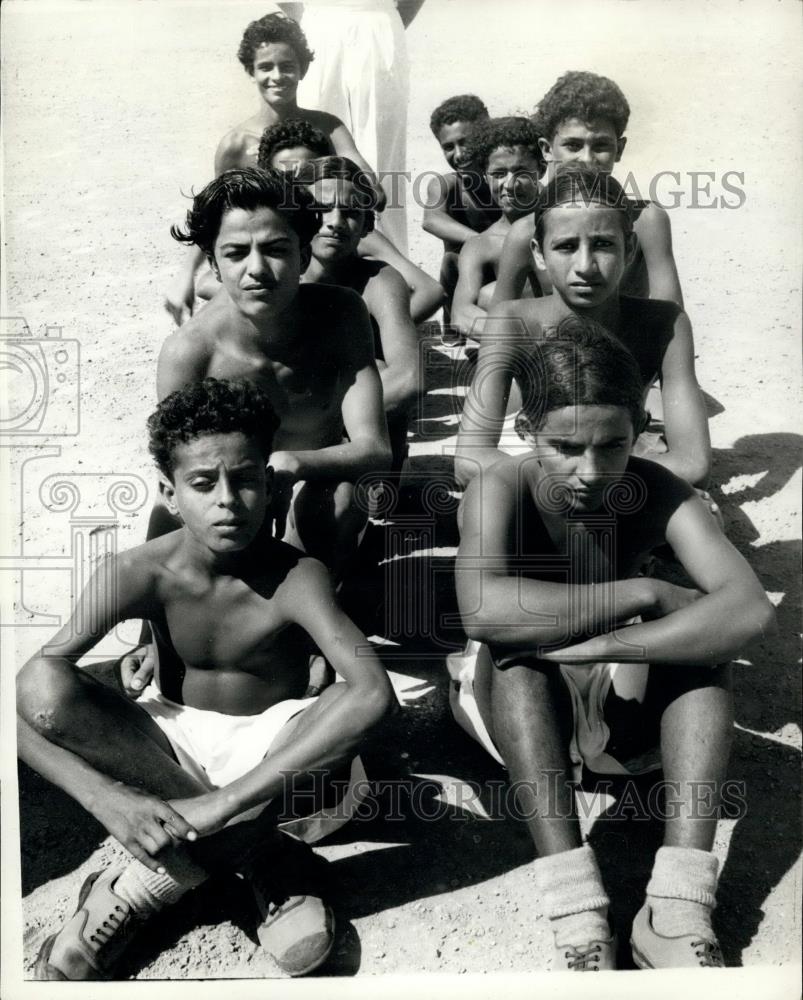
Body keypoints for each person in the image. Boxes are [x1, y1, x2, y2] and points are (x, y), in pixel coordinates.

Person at [17, 378, 395, 981]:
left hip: (279, 768)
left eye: (245, 480)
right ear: (169, 492)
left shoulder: (296, 576)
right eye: (202, 483)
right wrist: (105, 798)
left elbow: (375, 695)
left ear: (269, 484)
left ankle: (147, 883)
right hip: (173, 756)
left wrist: (225, 804)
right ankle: (267, 862)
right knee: (39, 682)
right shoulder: (135, 572)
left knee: (348, 702)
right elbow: (28, 699)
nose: (229, 500)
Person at [453, 317, 776, 971]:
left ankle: (677, 908)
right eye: (564, 446)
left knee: (703, 659)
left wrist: (617, 647)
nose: (589, 471)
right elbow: (485, 611)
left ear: (639, 431)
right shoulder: (501, 487)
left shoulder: (657, 489)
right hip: (521, 715)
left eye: (612, 446)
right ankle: (577, 909)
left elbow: (745, 609)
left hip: (627, 714)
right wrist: (641, 594)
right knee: (515, 657)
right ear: (525, 434)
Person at [161, 166, 391, 575]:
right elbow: (178, 475)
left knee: (340, 501)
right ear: (213, 266)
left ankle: (321, 592)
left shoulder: (341, 314)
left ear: (304, 256)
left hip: (310, 488)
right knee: (168, 527)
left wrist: (295, 463)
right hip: (231, 497)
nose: (258, 269)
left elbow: (375, 449)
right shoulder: (189, 353)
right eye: (235, 253)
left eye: (276, 249)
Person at [455, 163, 710, 491]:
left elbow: (694, 463)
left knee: (699, 514)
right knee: (481, 511)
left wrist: (590, 476)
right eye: (566, 246)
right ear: (539, 253)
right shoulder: (511, 321)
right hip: (535, 452)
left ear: (629, 249)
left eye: (603, 245)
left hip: (616, 450)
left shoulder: (664, 324)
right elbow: (469, 459)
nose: (586, 266)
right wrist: (575, 478)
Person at [164, 12, 384, 325]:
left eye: (288, 66)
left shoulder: (326, 127)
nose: (277, 76)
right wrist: (185, 273)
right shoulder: (236, 145)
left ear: (302, 70)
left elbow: (371, 189)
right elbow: (218, 217)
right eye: (266, 67)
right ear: (251, 71)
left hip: (321, 242)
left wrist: (340, 184)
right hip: (274, 247)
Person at [491, 70, 683, 310]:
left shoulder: (646, 220)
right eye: (573, 145)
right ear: (547, 149)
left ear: (619, 149)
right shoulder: (525, 232)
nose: (586, 159)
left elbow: (670, 315)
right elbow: (500, 323)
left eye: (601, 146)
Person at [299, 156, 422, 470]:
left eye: (351, 212)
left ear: (368, 224)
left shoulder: (379, 280)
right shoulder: (282, 277)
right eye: (322, 208)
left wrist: (330, 426)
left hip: (360, 428)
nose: (336, 221)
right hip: (298, 420)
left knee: (375, 368)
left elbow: (409, 378)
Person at [259, 122, 444, 323]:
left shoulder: (353, 233)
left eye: (309, 170)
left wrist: (375, 334)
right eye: (286, 176)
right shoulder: (260, 236)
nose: (297, 185)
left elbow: (431, 290)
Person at [289, 0, 426, 255]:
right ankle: (310, 265)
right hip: (319, 23)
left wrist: (381, 21)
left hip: (377, 21)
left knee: (382, 162)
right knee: (313, 146)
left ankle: (391, 267)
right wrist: (314, 21)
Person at [450, 117, 544, 341]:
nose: (509, 184)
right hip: (529, 345)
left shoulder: (560, 220)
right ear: (485, 176)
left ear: (540, 169)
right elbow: (461, 314)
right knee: (487, 296)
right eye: (499, 174)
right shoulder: (482, 243)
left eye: (520, 172)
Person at [422, 94, 500, 320]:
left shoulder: (504, 180)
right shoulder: (447, 185)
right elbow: (431, 220)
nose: (458, 154)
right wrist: (485, 244)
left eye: (465, 141)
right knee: (452, 259)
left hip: (504, 277)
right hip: (463, 287)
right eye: (448, 147)